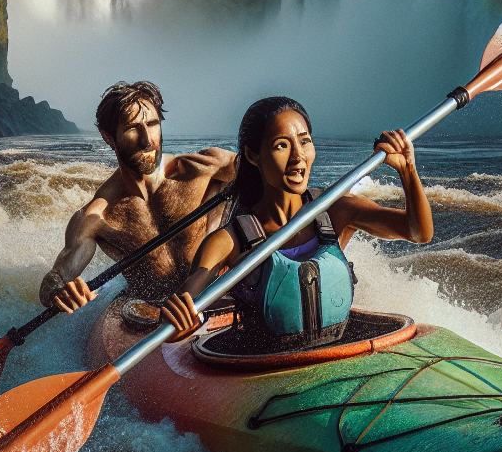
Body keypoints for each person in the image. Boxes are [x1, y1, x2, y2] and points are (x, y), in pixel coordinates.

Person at [159, 96, 433, 347]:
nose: (298, 156)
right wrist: (182, 322)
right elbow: (173, 327)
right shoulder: (227, 241)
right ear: (253, 155)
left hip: (335, 355)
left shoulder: (337, 210)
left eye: (305, 141)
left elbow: (418, 232)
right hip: (263, 370)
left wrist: (408, 168)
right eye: (281, 145)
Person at [40, 81, 237, 313]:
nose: (147, 140)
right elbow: (54, 279)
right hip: (151, 311)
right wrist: (59, 291)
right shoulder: (99, 215)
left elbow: (265, 169)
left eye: (152, 124)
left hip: (214, 292)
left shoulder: (204, 169)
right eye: (133, 128)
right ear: (109, 138)